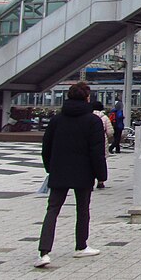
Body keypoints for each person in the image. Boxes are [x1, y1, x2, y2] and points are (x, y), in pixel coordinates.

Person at [36, 81, 107, 268]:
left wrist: (50, 168)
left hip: (59, 170)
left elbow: (46, 147)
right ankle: (81, 246)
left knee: (52, 209)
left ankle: (44, 252)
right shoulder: (93, 121)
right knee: (82, 209)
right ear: (87, 98)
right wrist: (101, 175)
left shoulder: (57, 120)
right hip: (84, 171)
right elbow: (97, 151)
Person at [91, 101, 113, 188]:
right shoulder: (104, 117)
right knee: (101, 161)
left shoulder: (88, 116)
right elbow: (110, 132)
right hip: (102, 140)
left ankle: (91, 180)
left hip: (90, 140)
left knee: (90, 162)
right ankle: (100, 181)